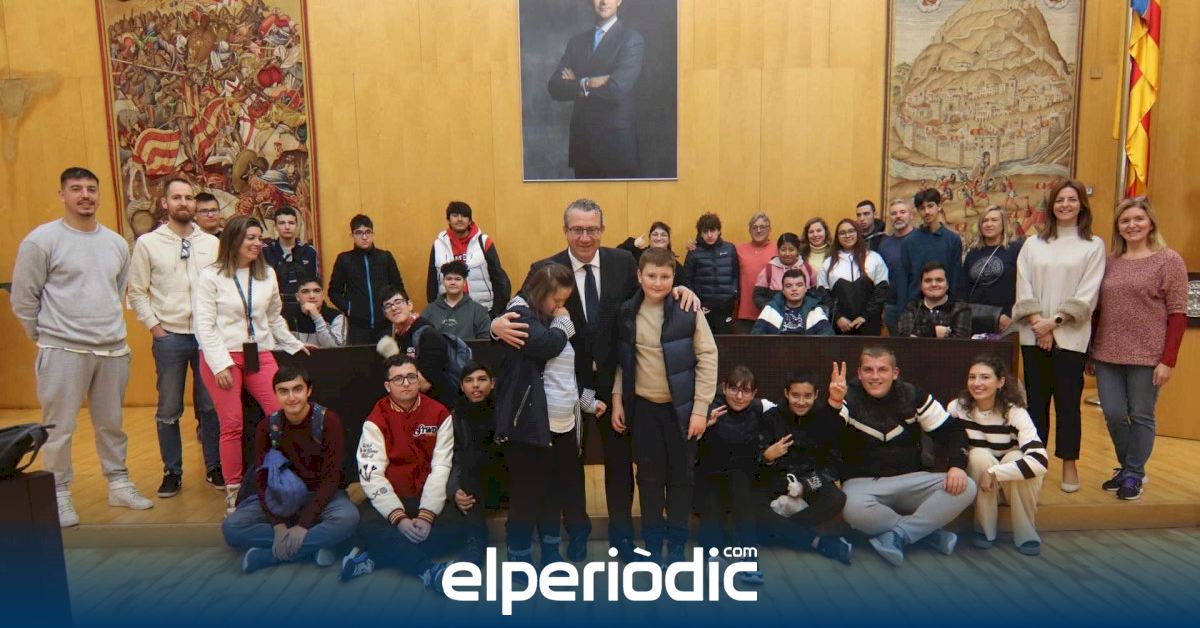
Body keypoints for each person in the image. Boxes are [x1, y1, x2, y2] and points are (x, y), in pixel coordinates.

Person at [490, 198, 698, 561]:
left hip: (616, 384)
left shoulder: (624, 262)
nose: (584, 237)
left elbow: (652, 293)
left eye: (591, 229)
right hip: (564, 390)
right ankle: (577, 533)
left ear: (602, 230)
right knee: (566, 470)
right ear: (565, 230)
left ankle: (621, 538)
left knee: (619, 465)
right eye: (577, 229)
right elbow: (519, 310)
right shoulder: (545, 268)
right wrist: (494, 327)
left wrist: (681, 290)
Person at [10, 166, 155, 527]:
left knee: (111, 424)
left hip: (112, 349)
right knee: (58, 428)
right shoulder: (41, 241)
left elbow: (116, 290)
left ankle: (118, 483)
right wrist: (44, 336)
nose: (85, 195)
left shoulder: (116, 243)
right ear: (62, 195)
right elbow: (24, 298)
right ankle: (57, 492)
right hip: (63, 349)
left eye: (91, 189)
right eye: (76, 189)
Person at [194, 216, 308, 513]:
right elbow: (204, 325)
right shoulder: (210, 276)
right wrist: (219, 364)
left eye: (260, 238)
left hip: (259, 352)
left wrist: (294, 344)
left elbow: (273, 318)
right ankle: (233, 490)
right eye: (251, 238)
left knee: (283, 412)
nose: (258, 243)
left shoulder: (267, 274)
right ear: (233, 240)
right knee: (232, 423)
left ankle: (285, 477)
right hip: (223, 355)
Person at [611, 247, 718, 563]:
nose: (657, 283)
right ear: (639, 276)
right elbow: (623, 362)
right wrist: (617, 399)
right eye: (651, 276)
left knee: (681, 481)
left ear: (674, 278)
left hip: (681, 412)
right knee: (649, 481)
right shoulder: (627, 312)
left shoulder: (688, 309)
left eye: (665, 276)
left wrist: (700, 409)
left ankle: (676, 548)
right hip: (644, 411)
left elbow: (708, 357)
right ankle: (653, 546)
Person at [494, 263, 601, 566]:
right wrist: (564, 324)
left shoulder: (550, 316)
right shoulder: (520, 313)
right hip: (532, 423)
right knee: (526, 494)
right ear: (540, 292)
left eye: (564, 301)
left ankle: (551, 549)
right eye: (556, 300)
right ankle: (519, 555)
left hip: (563, 423)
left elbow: (566, 370)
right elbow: (546, 346)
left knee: (552, 491)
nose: (560, 306)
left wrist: (585, 400)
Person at [831, 347, 976, 567]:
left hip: (911, 480)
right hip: (863, 484)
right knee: (851, 508)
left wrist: (957, 465)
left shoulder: (912, 395)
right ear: (859, 373)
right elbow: (826, 434)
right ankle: (925, 534)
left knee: (967, 487)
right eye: (868, 370)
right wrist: (833, 402)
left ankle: (899, 534)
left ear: (895, 373)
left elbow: (952, 432)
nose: (875, 376)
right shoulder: (846, 396)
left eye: (882, 369)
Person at [127, 176, 223, 498]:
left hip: (207, 339)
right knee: (169, 409)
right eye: (177, 197)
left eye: (189, 197)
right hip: (170, 338)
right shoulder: (148, 244)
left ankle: (214, 466)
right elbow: (136, 292)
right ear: (165, 203)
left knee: (209, 406)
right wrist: (156, 328)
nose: (184, 203)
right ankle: (172, 471)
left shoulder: (211, 244)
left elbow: (220, 288)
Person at [1089, 197, 1187, 500]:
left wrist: (1168, 360)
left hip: (1148, 355)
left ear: (1150, 223)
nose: (1132, 225)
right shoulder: (1109, 261)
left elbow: (1178, 314)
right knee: (1113, 413)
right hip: (1106, 353)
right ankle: (1129, 468)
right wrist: (1090, 350)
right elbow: (1096, 310)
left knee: (1141, 414)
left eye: (1138, 219)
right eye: (1125, 221)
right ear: (1118, 227)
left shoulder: (1168, 260)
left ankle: (1132, 473)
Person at [1013, 179, 1105, 493]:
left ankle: (1069, 464)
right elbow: (1024, 285)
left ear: (1081, 205)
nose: (1065, 205)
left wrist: (1053, 324)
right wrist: (1038, 324)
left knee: (1068, 404)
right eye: (1060, 200)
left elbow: (1088, 292)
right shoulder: (1033, 244)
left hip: (1071, 336)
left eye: (1072, 199)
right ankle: (1035, 463)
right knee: (1036, 404)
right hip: (1032, 333)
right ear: (1051, 206)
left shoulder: (1093, 245)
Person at [221, 365, 358, 572]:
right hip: (280, 496)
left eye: (297, 389)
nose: (291, 397)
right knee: (231, 527)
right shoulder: (267, 426)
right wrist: (277, 525)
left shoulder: (328, 421)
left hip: (322, 495)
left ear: (309, 391)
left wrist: (302, 526)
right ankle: (316, 545)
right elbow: (261, 480)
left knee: (348, 519)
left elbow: (332, 478)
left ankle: (269, 556)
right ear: (275, 394)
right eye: (283, 391)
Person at [349, 356, 458, 591]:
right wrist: (398, 519)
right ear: (388, 386)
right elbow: (371, 474)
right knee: (365, 526)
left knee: (457, 527)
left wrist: (427, 515)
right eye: (398, 379)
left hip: (425, 497)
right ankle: (427, 570)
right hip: (393, 498)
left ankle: (374, 560)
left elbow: (441, 467)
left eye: (411, 377)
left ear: (418, 379)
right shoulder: (375, 419)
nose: (406, 383)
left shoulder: (439, 413)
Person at [949, 355, 1047, 555]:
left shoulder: (1015, 412)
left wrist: (994, 472)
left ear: (1000, 382)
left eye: (985, 377)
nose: (977, 383)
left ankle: (1026, 533)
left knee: (1016, 457)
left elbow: (1040, 461)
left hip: (1011, 485)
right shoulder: (957, 408)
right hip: (981, 483)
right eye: (972, 377)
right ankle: (984, 530)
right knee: (978, 456)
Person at [756, 371, 853, 564]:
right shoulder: (770, 418)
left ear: (816, 395)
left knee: (836, 498)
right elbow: (754, 465)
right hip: (776, 481)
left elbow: (832, 466)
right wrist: (767, 457)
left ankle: (775, 533)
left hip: (810, 482)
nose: (801, 402)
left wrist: (805, 485)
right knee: (751, 505)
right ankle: (817, 542)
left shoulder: (824, 419)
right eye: (795, 395)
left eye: (807, 396)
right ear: (786, 393)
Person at [547, 0, 644, 179]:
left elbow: (616, 90)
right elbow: (554, 86)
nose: (604, 1)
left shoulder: (631, 40)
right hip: (583, 147)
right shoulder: (576, 42)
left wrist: (576, 84)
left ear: (619, 1)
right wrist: (587, 82)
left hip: (616, 148)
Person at [696, 366, 772, 583]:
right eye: (734, 389)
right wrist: (703, 425)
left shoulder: (760, 408)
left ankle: (749, 559)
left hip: (741, 480)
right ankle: (713, 556)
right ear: (724, 388)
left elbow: (788, 410)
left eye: (746, 391)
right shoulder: (709, 407)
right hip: (709, 476)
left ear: (754, 393)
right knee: (713, 494)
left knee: (738, 485)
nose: (739, 396)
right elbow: (685, 440)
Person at [447, 361, 505, 565]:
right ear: (462, 386)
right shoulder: (456, 416)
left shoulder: (504, 410)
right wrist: (454, 490)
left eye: (482, 379)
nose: (476, 385)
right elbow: (452, 457)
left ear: (493, 383)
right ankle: (476, 542)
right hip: (474, 486)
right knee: (469, 463)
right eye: (469, 381)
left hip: (506, 479)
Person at [377, 285, 458, 409]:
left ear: (409, 305)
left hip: (437, 408)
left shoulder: (428, 335)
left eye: (398, 302)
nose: (394, 307)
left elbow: (424, 385)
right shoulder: (396, 335)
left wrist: (394, 356)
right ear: (385, 313)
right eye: (388, 306)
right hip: (411, 406)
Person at [426, 201, 512, 318]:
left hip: (483, 311)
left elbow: (499, 279)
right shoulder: (438, 245)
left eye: (464, 216)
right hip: (448, 313)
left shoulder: (484, 242)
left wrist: (495, 312)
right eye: (455, 215)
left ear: (470, 220)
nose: (459, 219)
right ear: (448, 220)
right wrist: (436, 313)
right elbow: (432, 283)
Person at [328, 214, 405, 345]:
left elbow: (398, 288)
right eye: (359, 233)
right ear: (352, 235)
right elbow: (333, 292)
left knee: (386, 357)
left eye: (368, 232)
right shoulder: (344, 259)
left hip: (385, 324)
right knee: (360, 358)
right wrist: (349, 308)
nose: (364, 237)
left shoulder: (385, 257)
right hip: (357, 327)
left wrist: (398, 310)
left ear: (373, 234)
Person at [895, 188, 964, 311]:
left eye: (930, 206)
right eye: (922, 208)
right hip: (915, 308)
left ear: (939, 206)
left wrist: (954, 310)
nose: (927, 212)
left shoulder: (953, 240)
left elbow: (955, 279)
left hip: (944, 308)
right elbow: (903, 280)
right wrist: (903, 312)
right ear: (918, 211)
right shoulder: (909, 242)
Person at [959, 205, 1024, 334]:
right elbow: (964, 288)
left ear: (1003, 224)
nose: (989, 224)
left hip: (1006, 320)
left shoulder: (1016, 249)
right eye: (985, 220)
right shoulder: (973, 253)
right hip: (976, 318)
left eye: (994, 220)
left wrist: (1010, 314)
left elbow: (1024, 285)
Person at [820, 218, 890, 336]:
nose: (847, 235)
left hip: (869, 324)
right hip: (840, 327)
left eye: (851, 231)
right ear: (837, 237)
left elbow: (881, 291)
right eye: (842, 233)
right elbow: (823, 295)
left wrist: (865, 316)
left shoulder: (874, 258)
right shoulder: (828, 263)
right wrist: (838, 317)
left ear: (858, 233)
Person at [682, 212, 739, 334]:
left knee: (725, 342)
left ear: (719, 231)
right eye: (705, 231)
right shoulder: (694, 251)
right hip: (702, 309)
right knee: (703, 342)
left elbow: (736, 275)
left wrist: (733, 294)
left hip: (725, 308)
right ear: (700, 233)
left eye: (712, 230)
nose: (709, 235)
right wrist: (697, 303)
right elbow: (687, 280)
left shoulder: (730, 248)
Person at [263, 206, 320, 326]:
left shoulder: (309, 252)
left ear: (297, 225)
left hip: (304, 309)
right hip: (275, 310)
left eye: (291, 223)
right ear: (275, 226)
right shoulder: (266, 252)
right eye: (282, 223)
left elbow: (314, 285)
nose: (287, 227)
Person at [896, 261, 972, 339]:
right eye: (928, 281)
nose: (934, 284)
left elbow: (960, 341)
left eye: (939, 280)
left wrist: (921, 334)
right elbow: (906, 339)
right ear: (921, 286)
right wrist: (933, 332)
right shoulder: (911, 307)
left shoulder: (961, 308)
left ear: (947, 285)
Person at [422, 260, 492, 341]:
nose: (453, 282)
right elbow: (422, 339)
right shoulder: (429, 311)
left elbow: (485, 342)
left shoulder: (479, 311)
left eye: (457, 279)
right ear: (443, 282)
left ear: (464, 282)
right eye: (449, 279)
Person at [751, 269, 833, 336]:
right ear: (783, 290)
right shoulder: (771, 308)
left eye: (799, 285)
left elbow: (827, 334)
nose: (794, 289)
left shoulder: (814, 309)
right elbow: (756, 335)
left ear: (805, 289)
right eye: (788, 286)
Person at [734, 212, 777, 333]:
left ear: (770, 229)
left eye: (762, 227)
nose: (758, 230)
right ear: (749, 230)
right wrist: (695, 245)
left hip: (771, 312)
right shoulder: (738, 249)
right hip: (745, 313)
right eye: (754, 227)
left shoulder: (779, 250)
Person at [880, 199, 916, 332]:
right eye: (894, 213)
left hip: (916, 305)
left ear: (911, 215)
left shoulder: (921, 239)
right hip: (891, 306)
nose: (898, 216)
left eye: (902, 212)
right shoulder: (884, 245)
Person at [752, 232, 809, 309]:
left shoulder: (806, 268)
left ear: (797, 251)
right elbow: (758, 296)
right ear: (778, 251)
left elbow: (816, 294)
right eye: (783, 249)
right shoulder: (769, 269)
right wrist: (771, 309)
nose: (787, 253)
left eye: (791, 249)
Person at [616, 221, 684, 282]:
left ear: (668, 240)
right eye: (655, 234)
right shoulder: (639, 254)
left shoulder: (674, 264)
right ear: (649, 238)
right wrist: (633, 244)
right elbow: (617, 256)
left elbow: (685, 286)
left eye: (663, 235)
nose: (659, 238)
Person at [289, 276, 346, 347]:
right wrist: (298, 346)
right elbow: (278, 347)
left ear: (323, 295)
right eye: (305, 292)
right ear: (297, 297)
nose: (312, 296)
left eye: (316, 291)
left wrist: (317, 317)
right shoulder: (287, 316)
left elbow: (337, 348)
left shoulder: (337, 316)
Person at [799, 217, 831, 283]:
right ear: (806, 235)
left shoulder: (834, 252)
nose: (815, 234)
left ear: (825, 232)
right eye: (811, 232)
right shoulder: (799, 254)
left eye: (819, 231)